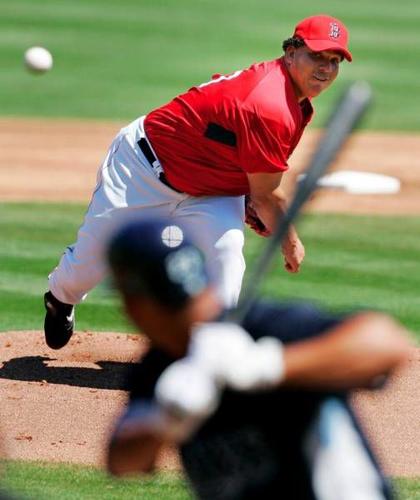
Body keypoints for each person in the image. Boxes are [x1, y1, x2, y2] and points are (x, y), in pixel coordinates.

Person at [43, 14, 353, 349]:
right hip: (142, 170)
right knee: (88, 265)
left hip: (211, 192)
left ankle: (213, 351)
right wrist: (288, 239)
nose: (325, 68)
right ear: (291, 53)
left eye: (334, 61)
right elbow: (267, 195)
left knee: (227, 256)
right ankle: (59, 299)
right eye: (316, 56)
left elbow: (244, 157)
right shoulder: (271, 103)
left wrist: (249, 195)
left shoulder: (291, 96)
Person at [105, 217, 411, 500]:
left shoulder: (261, 328)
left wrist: (264, 366)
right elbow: (120, 461)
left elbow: (389, 343)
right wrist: (163, 420)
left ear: (135, 303)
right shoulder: (160, 365)